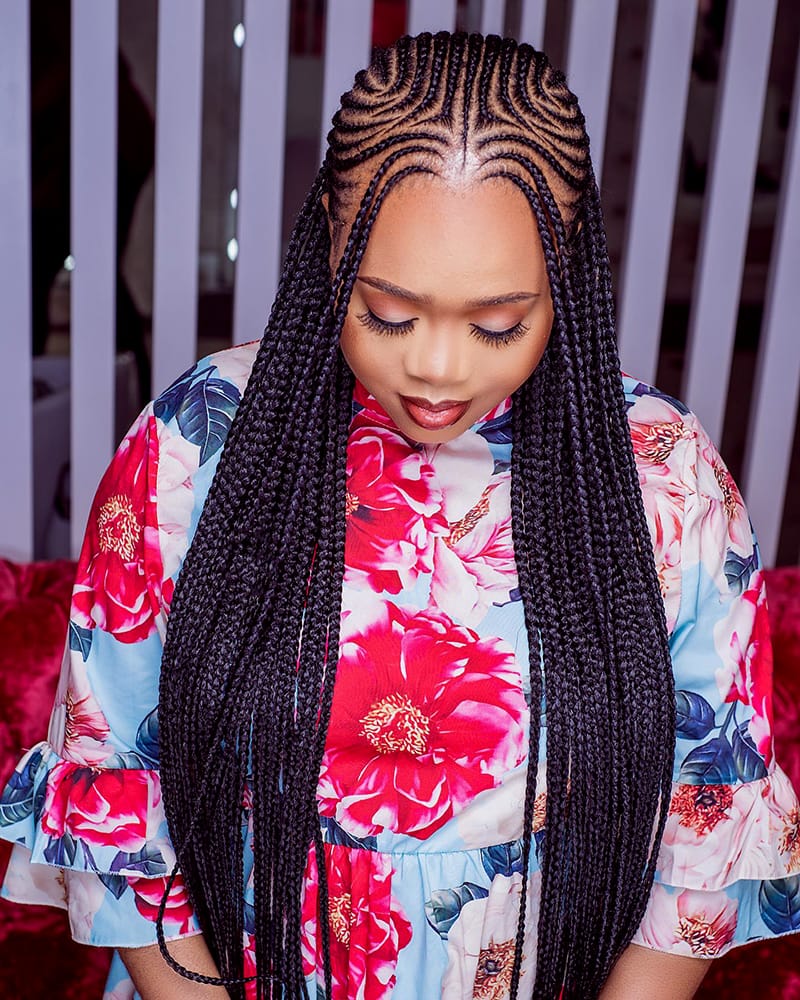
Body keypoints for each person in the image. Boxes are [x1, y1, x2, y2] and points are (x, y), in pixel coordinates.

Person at [1, 31, 799, 1000]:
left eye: (497, 321)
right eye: (388, 311)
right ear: (329, 243)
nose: (437, 366)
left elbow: (700, 820)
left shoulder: (661, 472)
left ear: (567, 280)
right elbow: (111, 776)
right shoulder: (200, 437)